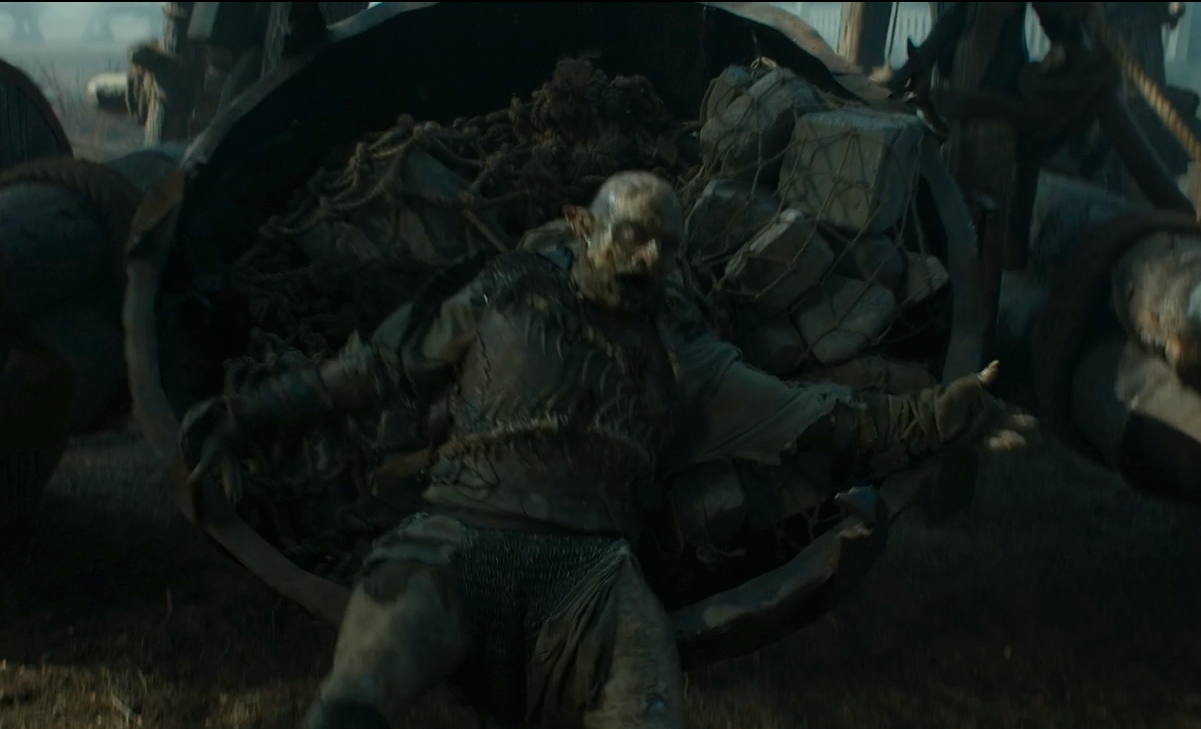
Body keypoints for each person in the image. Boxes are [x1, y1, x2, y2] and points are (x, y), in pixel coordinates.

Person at [180, 170, 1004, 729]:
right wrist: (249, 417)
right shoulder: (504, 291)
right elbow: (374, 371)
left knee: (646, 696)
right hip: (455, 536)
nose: (647, 259)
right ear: (582, 224)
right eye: (632, 237)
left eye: (665, 248)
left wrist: (933, 416)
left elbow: (813, 415)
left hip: (592, 574)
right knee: (365, 677)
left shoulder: (684, 356)